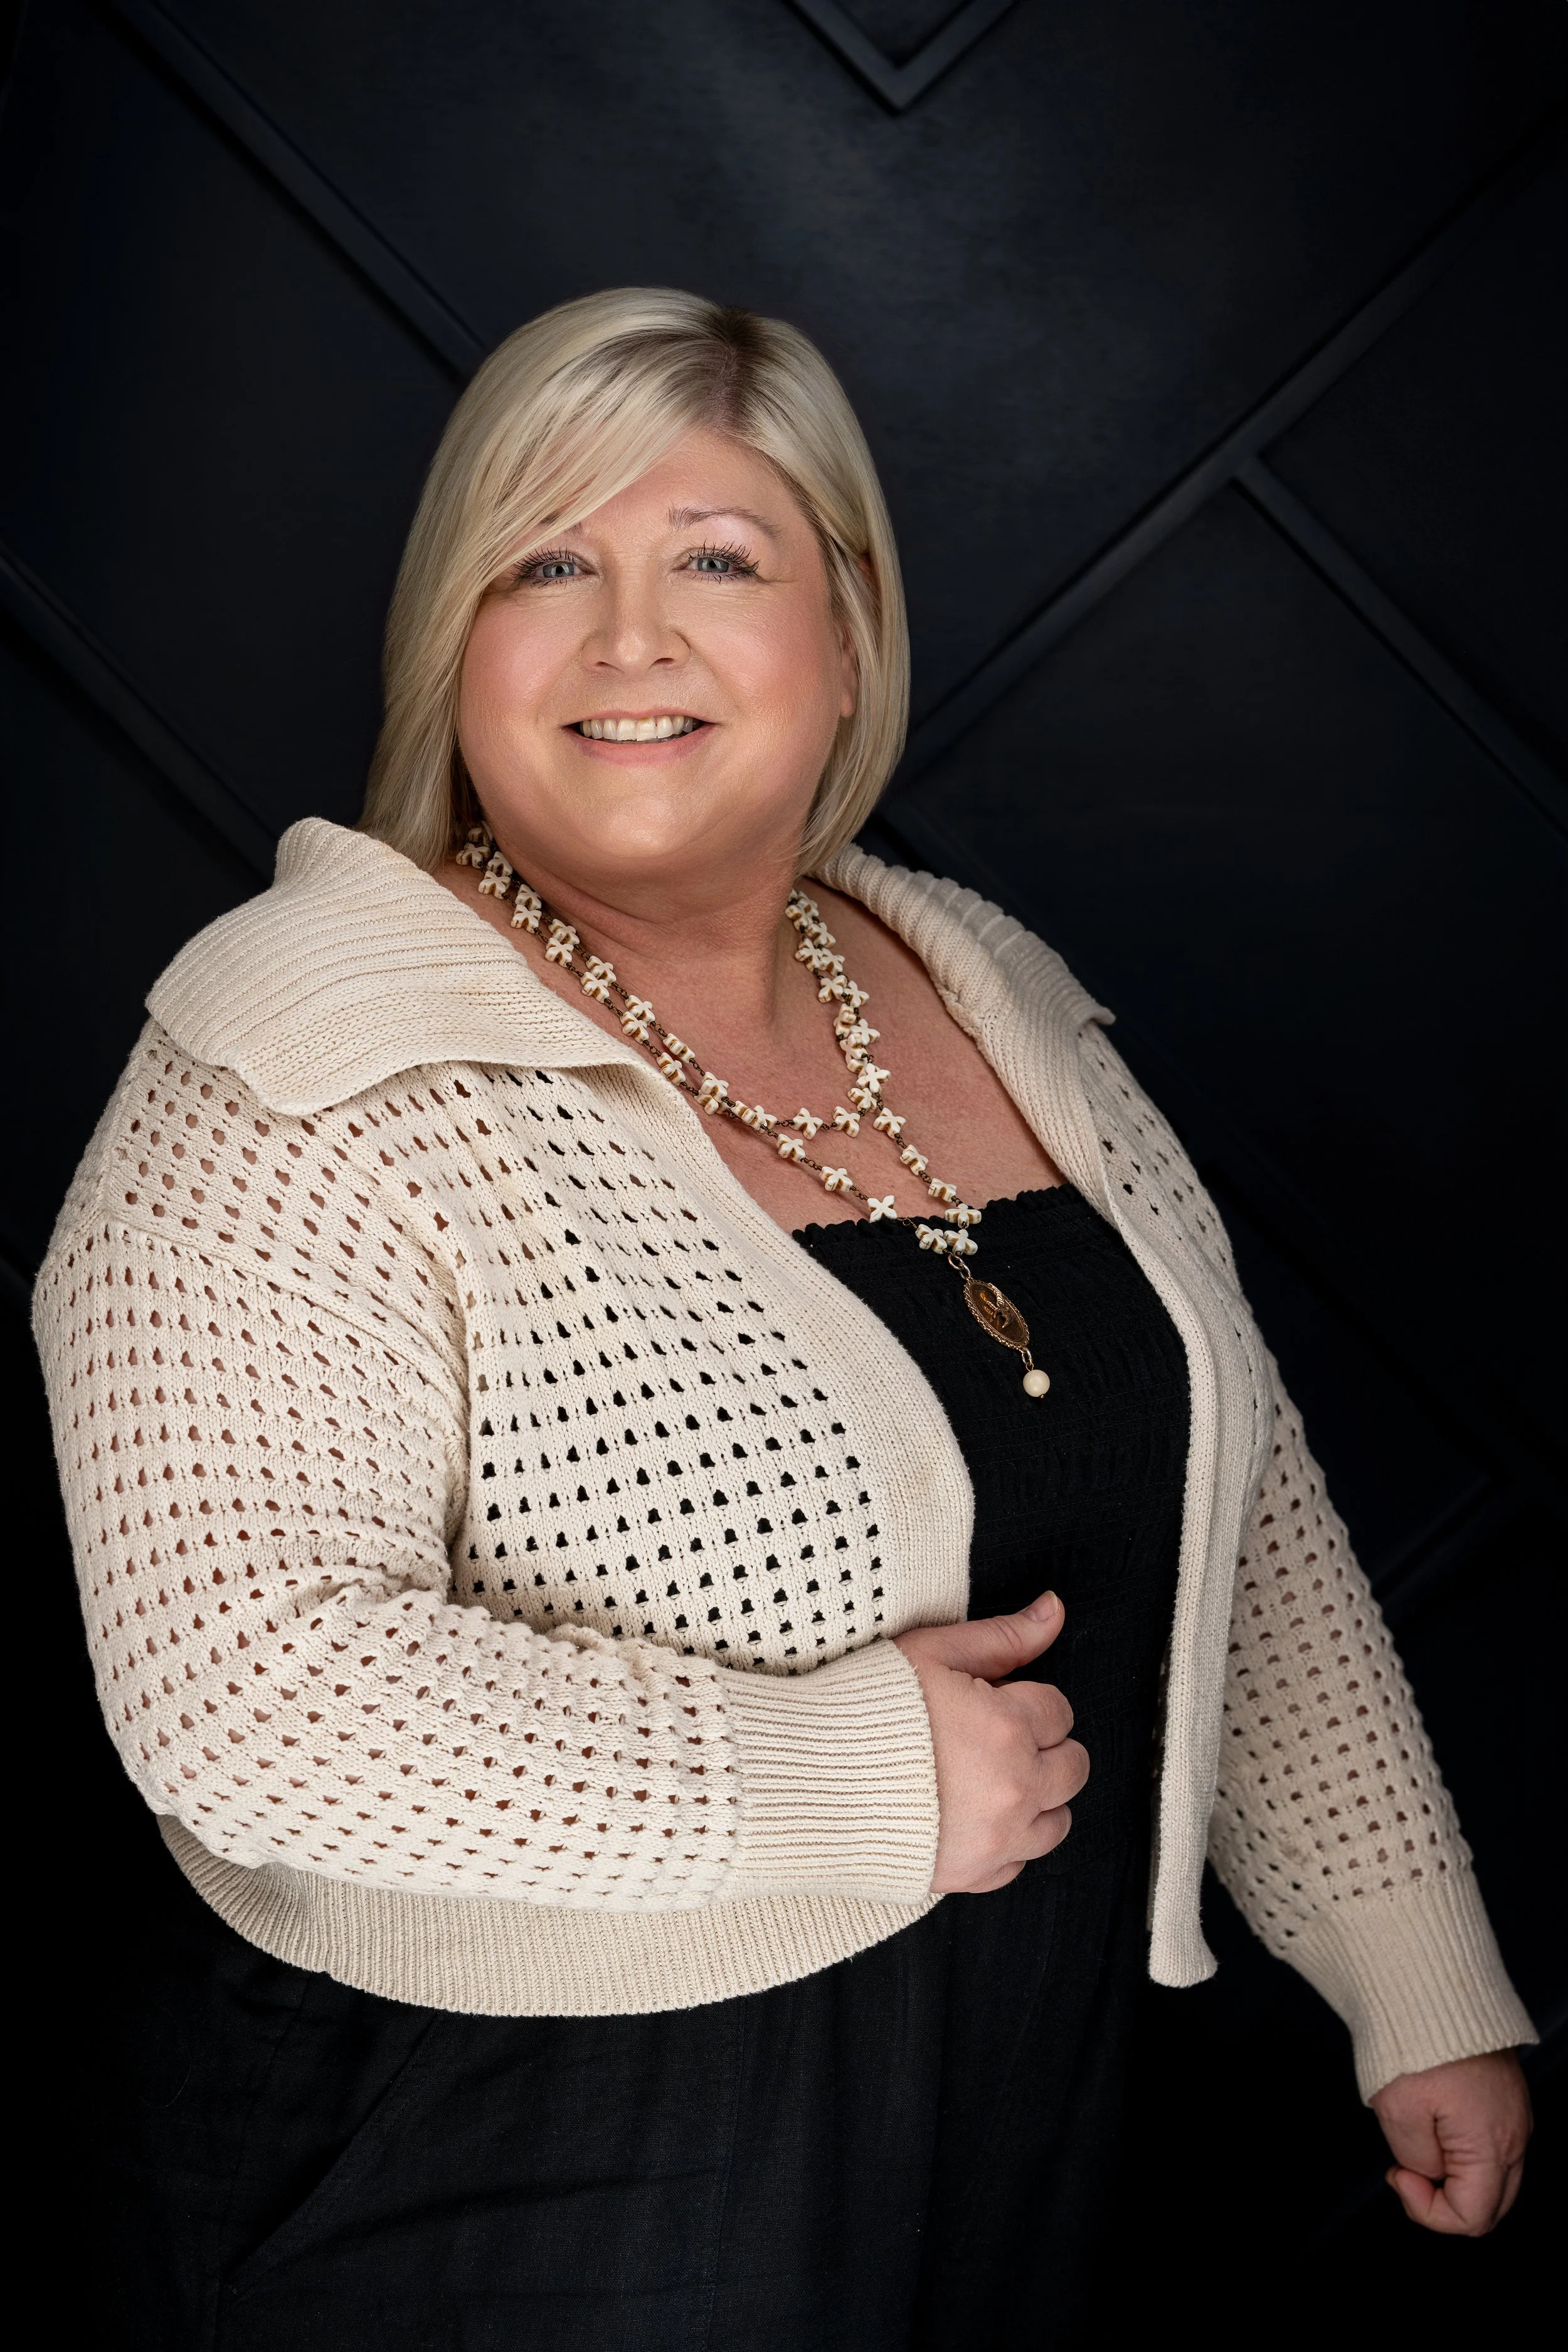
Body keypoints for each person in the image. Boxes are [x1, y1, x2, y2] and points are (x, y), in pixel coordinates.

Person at [34, 287, 1533, 2349]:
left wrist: (1408, 1970)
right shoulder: (293, 1049)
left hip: (1015, 2122)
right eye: (544, 560)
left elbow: (1237, 1520)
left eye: (715, 561)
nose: (627, 638)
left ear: (846, 639)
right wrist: (850, 1778)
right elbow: (246, 1692)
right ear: (453, 644)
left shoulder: (985, 983)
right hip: (500, 2187)